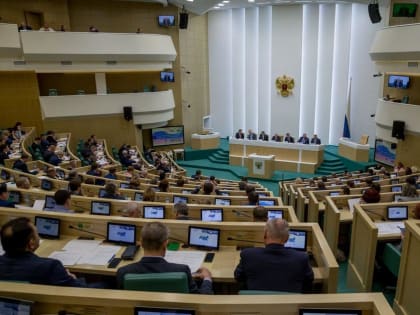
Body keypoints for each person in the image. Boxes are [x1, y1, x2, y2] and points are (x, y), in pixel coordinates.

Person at [116, 222, 213, 293]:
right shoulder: (182, 270)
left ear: (141, 243)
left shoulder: (123, 272)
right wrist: (207, 278)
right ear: (165, 244)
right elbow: (200, 299)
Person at [0, 217, 85, 287]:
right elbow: (79, 289)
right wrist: (73, 279)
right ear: (31, 243)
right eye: (37, 233)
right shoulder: (50, 267)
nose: (39, 237)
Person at [234, 219, 313, 293]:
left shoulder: (248, 255)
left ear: (264, 236)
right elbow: (309, 280)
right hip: (290, 306)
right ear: (287, 238)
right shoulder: (301, 258)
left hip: (256, 304)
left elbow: (238, 276)